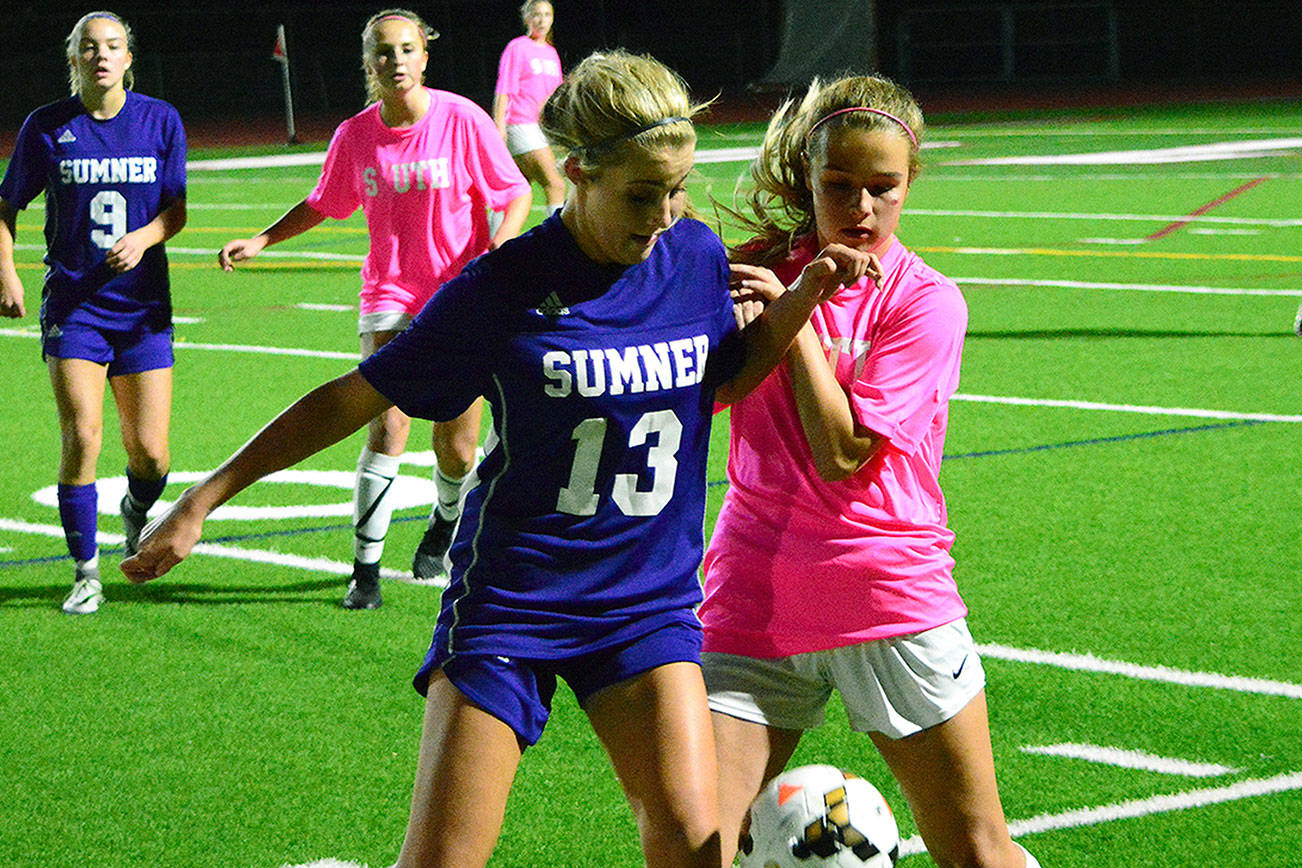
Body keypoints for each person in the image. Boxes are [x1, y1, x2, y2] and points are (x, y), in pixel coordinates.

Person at [122, 49, 870, 868]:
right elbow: (357, 395)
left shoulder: (689, 255)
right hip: (517, 600)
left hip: (644, 605)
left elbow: (717, 380)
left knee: (697, 848)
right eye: (642, 193)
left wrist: (796, 307)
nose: (663, 214)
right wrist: (205, 498)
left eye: (678, 189)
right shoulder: (501, 288)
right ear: (578, 171)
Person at [699, 76, 1044, 868]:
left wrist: (798, 314)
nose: (860, 207)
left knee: (976, 849)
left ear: (910, 182)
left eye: (882, 188)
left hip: (884, 593)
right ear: (807, 178)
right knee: (697, 845)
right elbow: (707, 399)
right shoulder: (751, 272)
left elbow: (845, 453)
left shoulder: (926, 303)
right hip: (754, 591)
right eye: (838, 185)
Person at [217, 9, 532, 609]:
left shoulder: (462, 118)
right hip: (388, 293)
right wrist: (262, 238)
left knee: (458, 446)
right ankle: (364, 570)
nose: (397, 61)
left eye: (407, 49)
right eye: (384, 52)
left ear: (424, 57)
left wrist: (502, 241)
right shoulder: (355, 135)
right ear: (370, 64)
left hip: (457, 294)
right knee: (385, 422)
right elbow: (323, 201)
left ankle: (443, 523)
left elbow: (513, 191)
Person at [0, 10, 187, 615]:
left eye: (112, 46)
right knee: (83, 436)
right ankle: (85, 572)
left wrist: (146, 237)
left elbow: (176, 212)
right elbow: (6, 208)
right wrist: (7, 274)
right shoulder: (47, 126)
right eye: (89, 47)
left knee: (152, 454)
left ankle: (136, 510)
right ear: (74, 58)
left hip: (142, 309)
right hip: (74, 308)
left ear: (129, 58)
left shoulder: (160, 120)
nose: (101, 55)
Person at [493, 0, 565, 215]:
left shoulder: (551, 53)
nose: (542, 20)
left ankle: (495, 243)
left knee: (517, 190)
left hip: (540, 129)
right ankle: (557, 240)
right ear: (527, 19)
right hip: (520, 123)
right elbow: (504, 87)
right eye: (537, 15)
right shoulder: (517, 47)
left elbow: (555, 96)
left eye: (547, 15)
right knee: (555, 184)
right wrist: (499, 126)